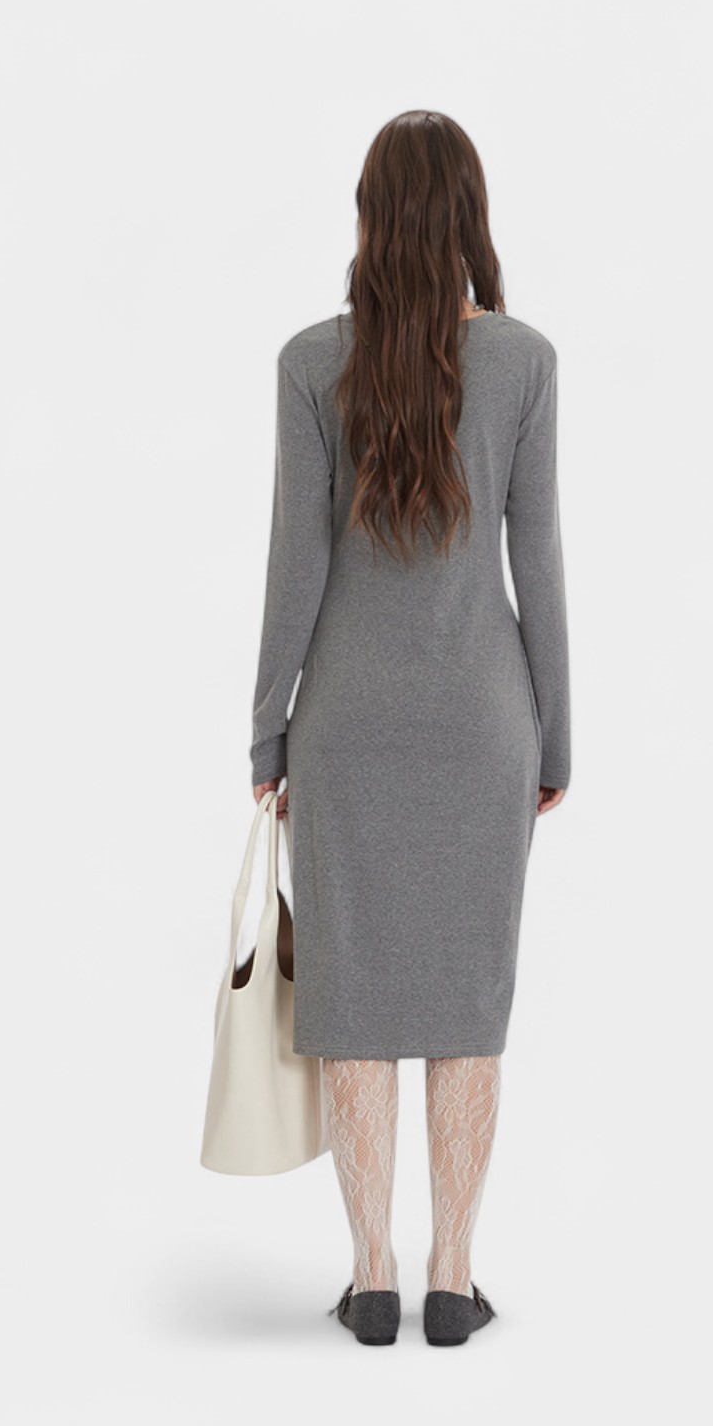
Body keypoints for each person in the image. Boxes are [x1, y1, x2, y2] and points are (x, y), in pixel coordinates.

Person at [248, 110, 571, 1348]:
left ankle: (372, 1275)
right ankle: (455, 1278)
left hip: (347, 728)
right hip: (485, 725)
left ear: (370, 217)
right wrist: (558, 736)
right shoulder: (525, 362)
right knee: (465, 1000)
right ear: (471, 216)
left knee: (357, 999)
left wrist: (266, 732)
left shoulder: (308, 363)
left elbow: (295, 569)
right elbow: (538, 559)